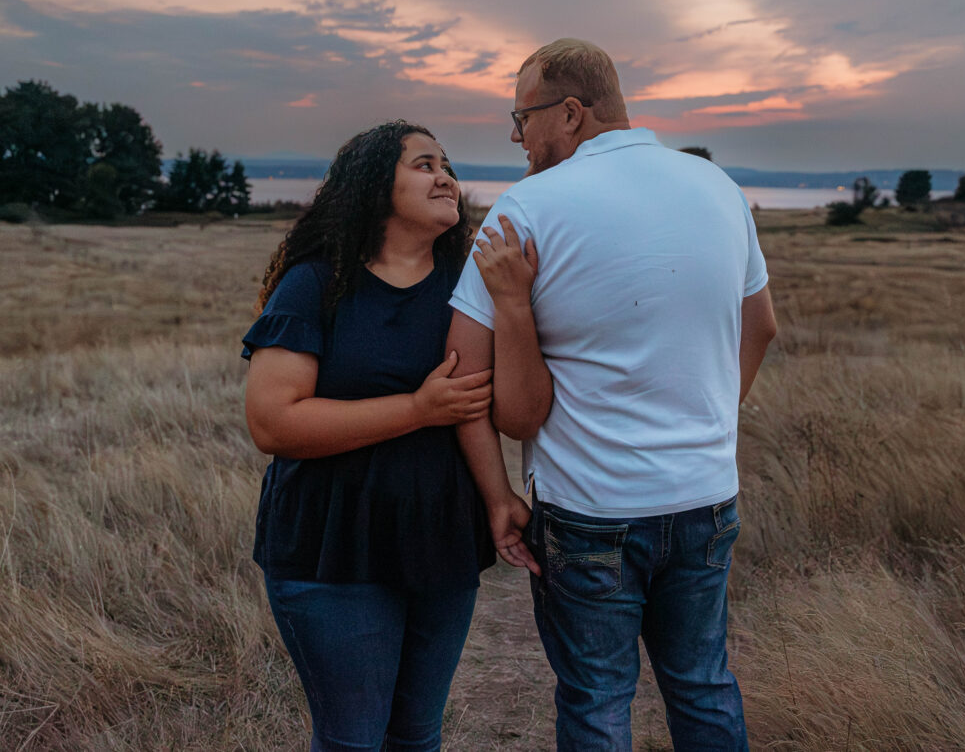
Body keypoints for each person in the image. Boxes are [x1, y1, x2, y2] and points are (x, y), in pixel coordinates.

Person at [446, 39, 777, 750]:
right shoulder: (717, 187)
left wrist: (500, 493)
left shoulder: (523, 210)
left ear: (570, 113)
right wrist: (712, 423)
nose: (515, 137)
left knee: (597, 696)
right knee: (702, 681)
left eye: (521, 116)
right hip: (705, 493)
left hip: (590, 508)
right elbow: (764, 325)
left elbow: (473, 383)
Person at [242, 121, 522, 751]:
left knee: (418, 738)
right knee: (353, 742)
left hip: (440, 541)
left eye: (446, 163)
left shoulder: (467, 287)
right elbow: (273, 421)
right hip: (332, 546)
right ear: (374, 187)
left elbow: (479, 406)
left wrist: (500, 501)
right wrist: (418, 408)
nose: (444, 175)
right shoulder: (317, 283)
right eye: (424, 164)